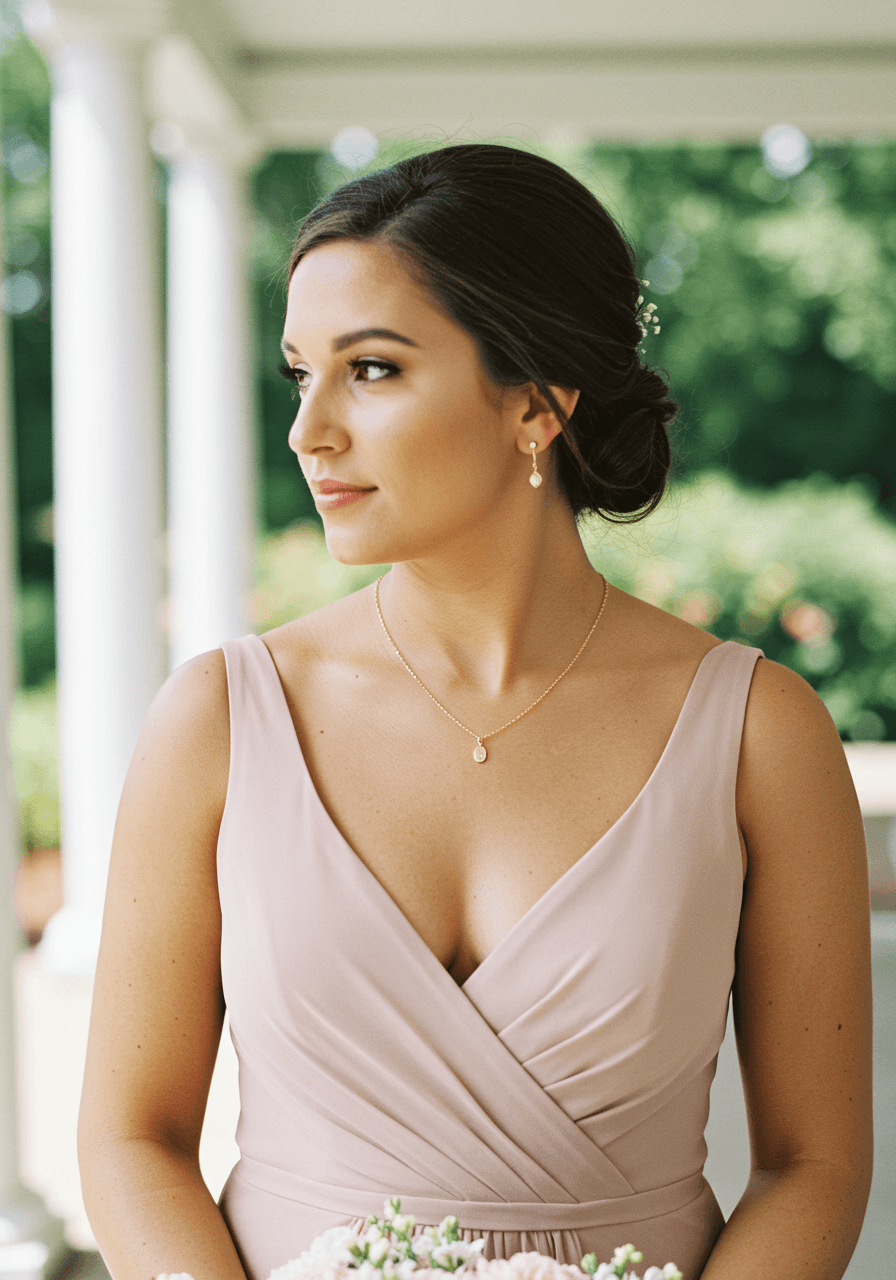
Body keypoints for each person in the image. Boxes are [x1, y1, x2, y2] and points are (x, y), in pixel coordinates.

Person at [77, 143, 873, 1280]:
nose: (309, 430)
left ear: (536, 402)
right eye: (300, 373)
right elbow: (131, 1138)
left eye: (372, 369)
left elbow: (812, 1165)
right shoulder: (221, 719)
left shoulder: (757, 733)